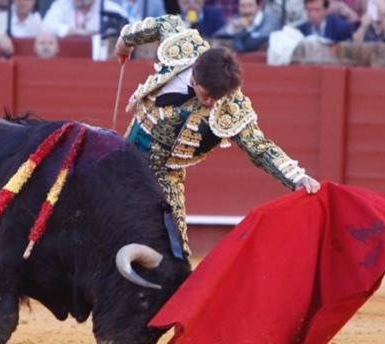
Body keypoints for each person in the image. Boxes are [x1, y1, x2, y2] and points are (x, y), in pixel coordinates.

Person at [115, 15, 321, 253]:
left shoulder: (231, 106)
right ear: (195, 77)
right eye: (207, 95)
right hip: (127, 151)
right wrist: (125, 41)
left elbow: (260, 147)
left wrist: (296, 177)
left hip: (165, 174)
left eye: (218, 96)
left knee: (174, 251)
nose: (212, 102)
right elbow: (163, 23)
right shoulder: (184, 46)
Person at [42, 0, 128, 37]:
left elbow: (129, 28)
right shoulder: (62, 4)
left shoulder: (111, 9)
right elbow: (46, 26)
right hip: (69, 59)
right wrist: (70, 31)